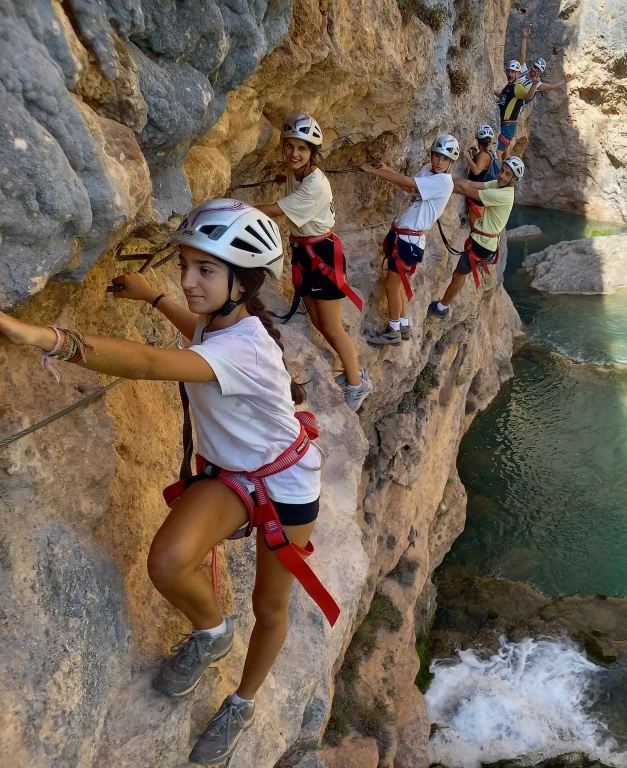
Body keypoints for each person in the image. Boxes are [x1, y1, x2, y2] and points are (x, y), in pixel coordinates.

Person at [0, 199, 340, 766]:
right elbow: (200, 336)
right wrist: (154, 297)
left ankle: (243, 702)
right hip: (236, 475)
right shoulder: (231, 326)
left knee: (270, 605)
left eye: (204, 271)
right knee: (168, 561)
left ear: (243, 280)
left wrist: (44, 337)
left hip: (285, 486)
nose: (187, 281)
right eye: (185, 266)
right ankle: (212, 632)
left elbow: (150, 364)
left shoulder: (246, 348)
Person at [254, 113, 371, 412]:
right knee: (318, 321)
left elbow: (273, 210)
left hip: (322, 255)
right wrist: (285, 178)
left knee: (331, 326)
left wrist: (237, 209)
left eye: (302, 148)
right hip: (307, 252)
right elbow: (292, 184)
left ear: (313, 152)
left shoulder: (314, 185)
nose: (294, 153)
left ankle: (357, 385)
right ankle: (355, 374)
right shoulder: (299, 173)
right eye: (290, 146)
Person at [359, 134, 460, 347]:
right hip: (404, 237)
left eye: (445, 159)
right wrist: (386, 169)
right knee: (398, 285)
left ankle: (394, 331)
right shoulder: (428, 170)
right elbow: (409, 186)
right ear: (431, 155)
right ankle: (403, 325)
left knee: (391, 287)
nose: (439, 162)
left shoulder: (443, 181)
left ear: (451, 163)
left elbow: (407, 182)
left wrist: (374, 172)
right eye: (437, 156)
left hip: (409, 241)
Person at [427, 156, 525, 319]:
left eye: (507, 174)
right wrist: (445, 178)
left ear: (514, 179)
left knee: (459, 273)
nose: (501, 175)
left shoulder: (502, 195)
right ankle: (443, 305)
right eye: (502, 171)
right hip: (484, 240)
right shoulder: (500, 186)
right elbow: (469, 184)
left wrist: (439, 184)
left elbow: (466, 191)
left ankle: (442, 307)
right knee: (462, 272)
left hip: (482, 244)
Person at [494, 61, 540, 159]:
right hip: (506, 124)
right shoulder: (510, 86)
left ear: (518, 74)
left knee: (497, 154)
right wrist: (492, 91)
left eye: (512, 72)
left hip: (507, 125)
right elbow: (504, 98)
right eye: (508, 71)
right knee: (505, 154)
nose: (510, 74)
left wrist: (534, 85)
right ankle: (509, 173)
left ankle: (498, 174)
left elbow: (528, 96)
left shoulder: (517, 87)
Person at [465, 124, 502, 228]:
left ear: (478, 141)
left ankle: (474, 242)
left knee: (475, 226)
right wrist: (475, 153)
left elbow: (476, 170)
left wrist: (467, 156)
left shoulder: (483, 155)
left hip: (477, 198)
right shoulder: (489, 153)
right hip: (483, 194)